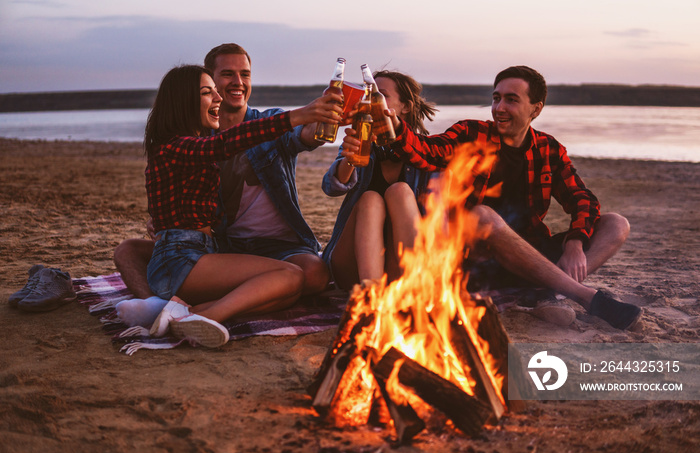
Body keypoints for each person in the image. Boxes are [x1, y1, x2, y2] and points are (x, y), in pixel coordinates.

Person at [340, 65, 643, 330]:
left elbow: (582, 199)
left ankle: (549, 291)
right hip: (477, 261)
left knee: (616, 224)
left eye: (511, 100)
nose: (499, 107)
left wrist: (576, 241)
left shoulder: (549, 149)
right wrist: (392, 126)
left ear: (535, 108)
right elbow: (425, 151)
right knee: (482, 214)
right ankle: (583, 296)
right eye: (496, 98)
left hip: (529, 253)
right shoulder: (472, 134)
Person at [113, 43, 334, 327]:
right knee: (288, 278)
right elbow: (223, 145)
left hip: (217, 249)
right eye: (223, 78)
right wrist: (299, 113)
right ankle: (181, 313)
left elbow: (306, 136)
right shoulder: (190, 143)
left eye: (245, 74)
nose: (234, 85)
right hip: (196, 252)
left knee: (288, 290)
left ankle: (178, 312)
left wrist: (326, 115)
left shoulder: (254, 124)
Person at [321, 70, 438, 289]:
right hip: (351, 267)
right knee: (370, 199)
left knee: (400, 190)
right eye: (368, 95)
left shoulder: (424, 150)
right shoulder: (361, 141)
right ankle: (370, 295)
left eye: (380, 95)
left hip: (400, 266)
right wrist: (349, 159)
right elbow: (331, 187)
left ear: (405, 107)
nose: (371, 101)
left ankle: (415, 288)